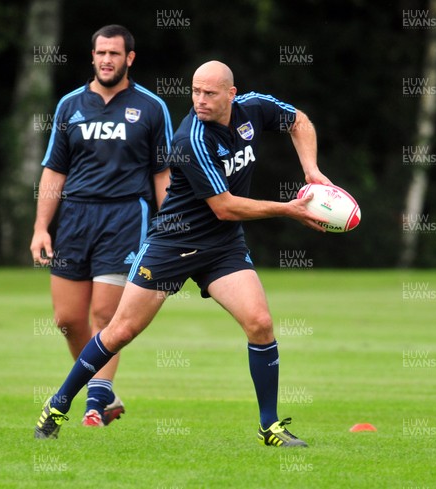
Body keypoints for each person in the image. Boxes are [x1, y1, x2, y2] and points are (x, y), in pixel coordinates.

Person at [35, 60, 331, 447]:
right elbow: (224, 206)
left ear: (231, 94)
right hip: (172, 245)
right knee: (121, 331)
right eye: (195, 92)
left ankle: (269, 426)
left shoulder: (254, 108)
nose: (200, 101)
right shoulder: (191, 138)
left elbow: (298, 121)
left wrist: (311, 171)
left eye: (209, 93)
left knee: (259, 323)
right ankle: (58, 403)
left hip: (222, 247)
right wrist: (290, 209)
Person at [30, 25, 173, 427]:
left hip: (127, 217)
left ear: (130, 58)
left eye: (115, 53)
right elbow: (54, 171)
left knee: (104, 317)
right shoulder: (70, 106)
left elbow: (163, 174)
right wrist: (42, 227)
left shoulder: (150, 107)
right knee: (67, 320)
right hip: (75, 219)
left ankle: (93, 405)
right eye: (100, 53)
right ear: (92, 57)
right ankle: (104, 390)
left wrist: (171, 229)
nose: (106, 59)